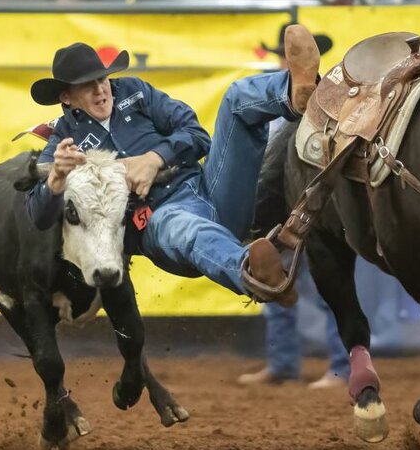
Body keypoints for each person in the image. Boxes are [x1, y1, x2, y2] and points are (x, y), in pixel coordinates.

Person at [25, 25, 321, 303]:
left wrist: (154, 159)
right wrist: (56, 179)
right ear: (67, 97)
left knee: (235, 98)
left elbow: (197, 135)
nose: (101, 90)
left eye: (101, 79)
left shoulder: (134, 91)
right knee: (183, 227)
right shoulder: (64, 140)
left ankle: (294, 93)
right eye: (87, 86)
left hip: (209, 187)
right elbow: (38, 217)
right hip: (156, 220)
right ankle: (255, 275)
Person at [238, 23, 348, 388]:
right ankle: (286, 363)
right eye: (289, 55)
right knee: (273, 284)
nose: (291, 61)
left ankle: (340, 367)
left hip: (315, 207)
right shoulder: (270, 97)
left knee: (328, 288)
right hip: (281, 205)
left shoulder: (333, 101)